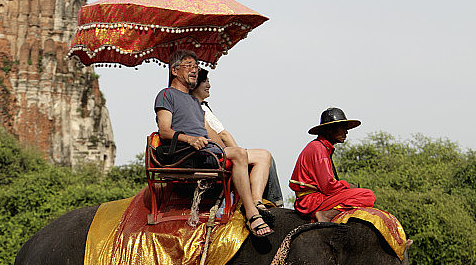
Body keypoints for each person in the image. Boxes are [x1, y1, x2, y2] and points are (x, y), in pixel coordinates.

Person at [154, 50, 273, 237]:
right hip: (186, 153)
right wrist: (190, 139)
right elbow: (164, 130)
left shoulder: (195, 101)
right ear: (174, 71)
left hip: (206, 151)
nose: (194, 70)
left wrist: (228, 150)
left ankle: (255, 201)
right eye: (189, 65)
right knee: (239, 154)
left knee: (255, 154)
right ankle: (252, 214)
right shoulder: (166, 94)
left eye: (196, 66)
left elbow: (208, 131)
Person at [189, 68, 282, 209]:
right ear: (195, 85)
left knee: (263, 157)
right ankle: (259, 201)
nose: (209, 85)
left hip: (213, 151)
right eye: (205, 81)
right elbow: (223, 135)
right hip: (214, 153)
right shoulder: (200, 108)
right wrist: (239, 153)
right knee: (264, 156)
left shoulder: (198, 107)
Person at [289, 107, 375, 222]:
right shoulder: (319, 148)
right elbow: (328, 187)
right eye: (342, 128)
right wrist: (348, 186)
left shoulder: (321, 147)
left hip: (314, 199)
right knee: (367, 195)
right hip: (311, 201)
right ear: (329, 129)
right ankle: (326, 215)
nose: (346, 132)